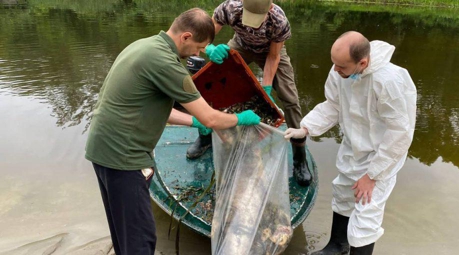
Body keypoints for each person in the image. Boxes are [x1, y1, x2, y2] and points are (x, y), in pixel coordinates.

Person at [85, 8, 260, 255]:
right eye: (200, 47)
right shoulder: (166, 64)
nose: (200, 54)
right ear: (186, 36)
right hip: (124, 158)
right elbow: (210, 118)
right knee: (140, 241)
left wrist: (192, 122)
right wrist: (240, 118)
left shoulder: (143, 46)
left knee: (123, 232)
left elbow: (157, 107)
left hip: (102, 150)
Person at [285, 31, 417, 255]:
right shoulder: (341, 69)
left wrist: (372, 175)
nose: (335, 70)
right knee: (344, 193)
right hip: (353, 146)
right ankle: (337, 246)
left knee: (366, 213)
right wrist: (306, 128)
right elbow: (332, 105)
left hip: (381, 155)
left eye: (341, 67)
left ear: (362, 62)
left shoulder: (390, 81)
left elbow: (400, 133)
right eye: (334, 64)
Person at [186, 0, 312, 187]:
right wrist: (209, 49)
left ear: (269, 8)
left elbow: (273, 56)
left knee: (291, 100)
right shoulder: (230, 8)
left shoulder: (279, 20)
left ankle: (299, 157)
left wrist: (267, 89)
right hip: (240, 45)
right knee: (210, 81)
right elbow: (203, 36)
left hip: (269, 51)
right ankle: (205, 138)